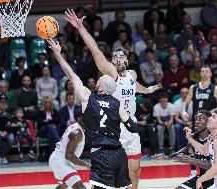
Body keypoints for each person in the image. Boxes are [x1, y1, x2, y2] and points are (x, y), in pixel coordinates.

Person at [64, 9, 159, 189]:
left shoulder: (131, 73)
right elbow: (94, 50)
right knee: (105, 174)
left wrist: (146, 90)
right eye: (114, 57)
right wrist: (81, 28)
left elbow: (134, 86)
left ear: (127, 59)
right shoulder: (112, 73)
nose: (117, 59)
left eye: (120, 56)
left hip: (130, 126)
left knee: (135, 172)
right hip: (114, 128)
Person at [48, 39, 138, 189]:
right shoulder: (118, 104)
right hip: (119, 153)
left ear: (101, 87)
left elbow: (71, 75)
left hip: (102, 154)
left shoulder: (88, 98)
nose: (97, 81)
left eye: (99, 80)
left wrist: (57, 54)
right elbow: (133, 128)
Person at [175, 110, 214, 189]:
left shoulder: (215, 139)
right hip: (203, 177)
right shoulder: (194, 137)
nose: (196, 122)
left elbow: (213, 166)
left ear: (208, 122)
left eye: (200, 119)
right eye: (196, 119)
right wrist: (167, 156)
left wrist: (190, 160)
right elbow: (185, 151)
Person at [49, 114, 89, 189]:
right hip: (61, 161)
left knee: (64, 185)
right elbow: (69, 156)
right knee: (80, 187)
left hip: (60, 158)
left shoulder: (76, 126)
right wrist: (87, 165)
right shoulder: (77, 133)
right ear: (80, 118)